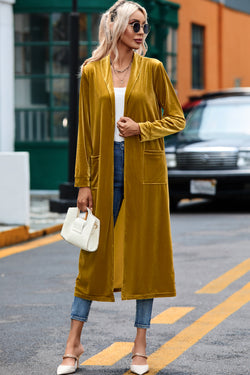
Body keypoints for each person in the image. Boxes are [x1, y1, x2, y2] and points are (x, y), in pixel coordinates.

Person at [57, 1, 185, 374]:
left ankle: (140, 345)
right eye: (135, 24)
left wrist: (141, 129)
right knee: (93, 254)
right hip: (102, 171)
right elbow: (84, 133)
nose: (141, 31)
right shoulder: (91, 71)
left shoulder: (153, 69)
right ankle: (73, 342)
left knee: (144, 255)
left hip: (144, 169)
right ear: (115, 27)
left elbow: (176, 118)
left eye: (144, 25)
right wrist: (83, 182)